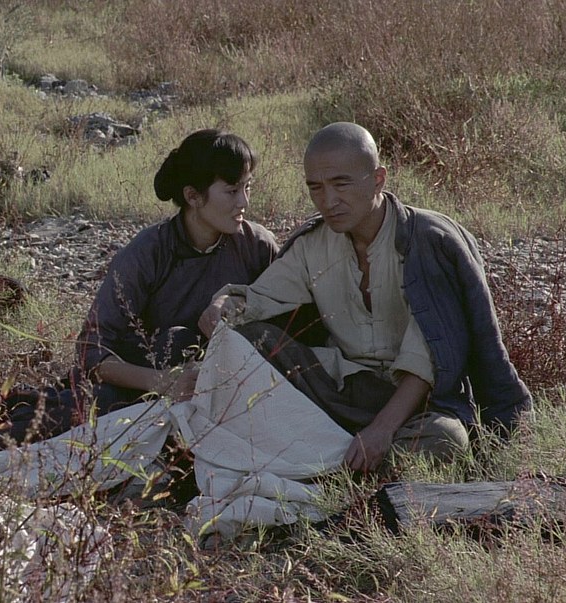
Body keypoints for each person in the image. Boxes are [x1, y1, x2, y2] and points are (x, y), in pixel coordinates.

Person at [199, 122, 532, 472]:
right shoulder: (313, 244)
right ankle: (330, 461)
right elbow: (261, 298)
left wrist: (381, 430)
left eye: (341, 184)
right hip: (341, 391)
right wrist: (225, 306)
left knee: (445, 439)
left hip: (415, 403)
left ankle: (336, 471)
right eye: (316, 188)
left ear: (377, 179)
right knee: (250, 338)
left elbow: (427, 357)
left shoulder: (427, 242)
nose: (328, 201)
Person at [0, 129, 279, 445]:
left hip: (227, 383)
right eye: (232, 191)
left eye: (247, 187)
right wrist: (162, 382)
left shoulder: (257, 246)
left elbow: (289, 314)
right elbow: (91, 351)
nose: (244, 202)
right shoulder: (147, 254)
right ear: (193, 196)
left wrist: (234, 301)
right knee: (86, 416)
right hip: (141, 383)